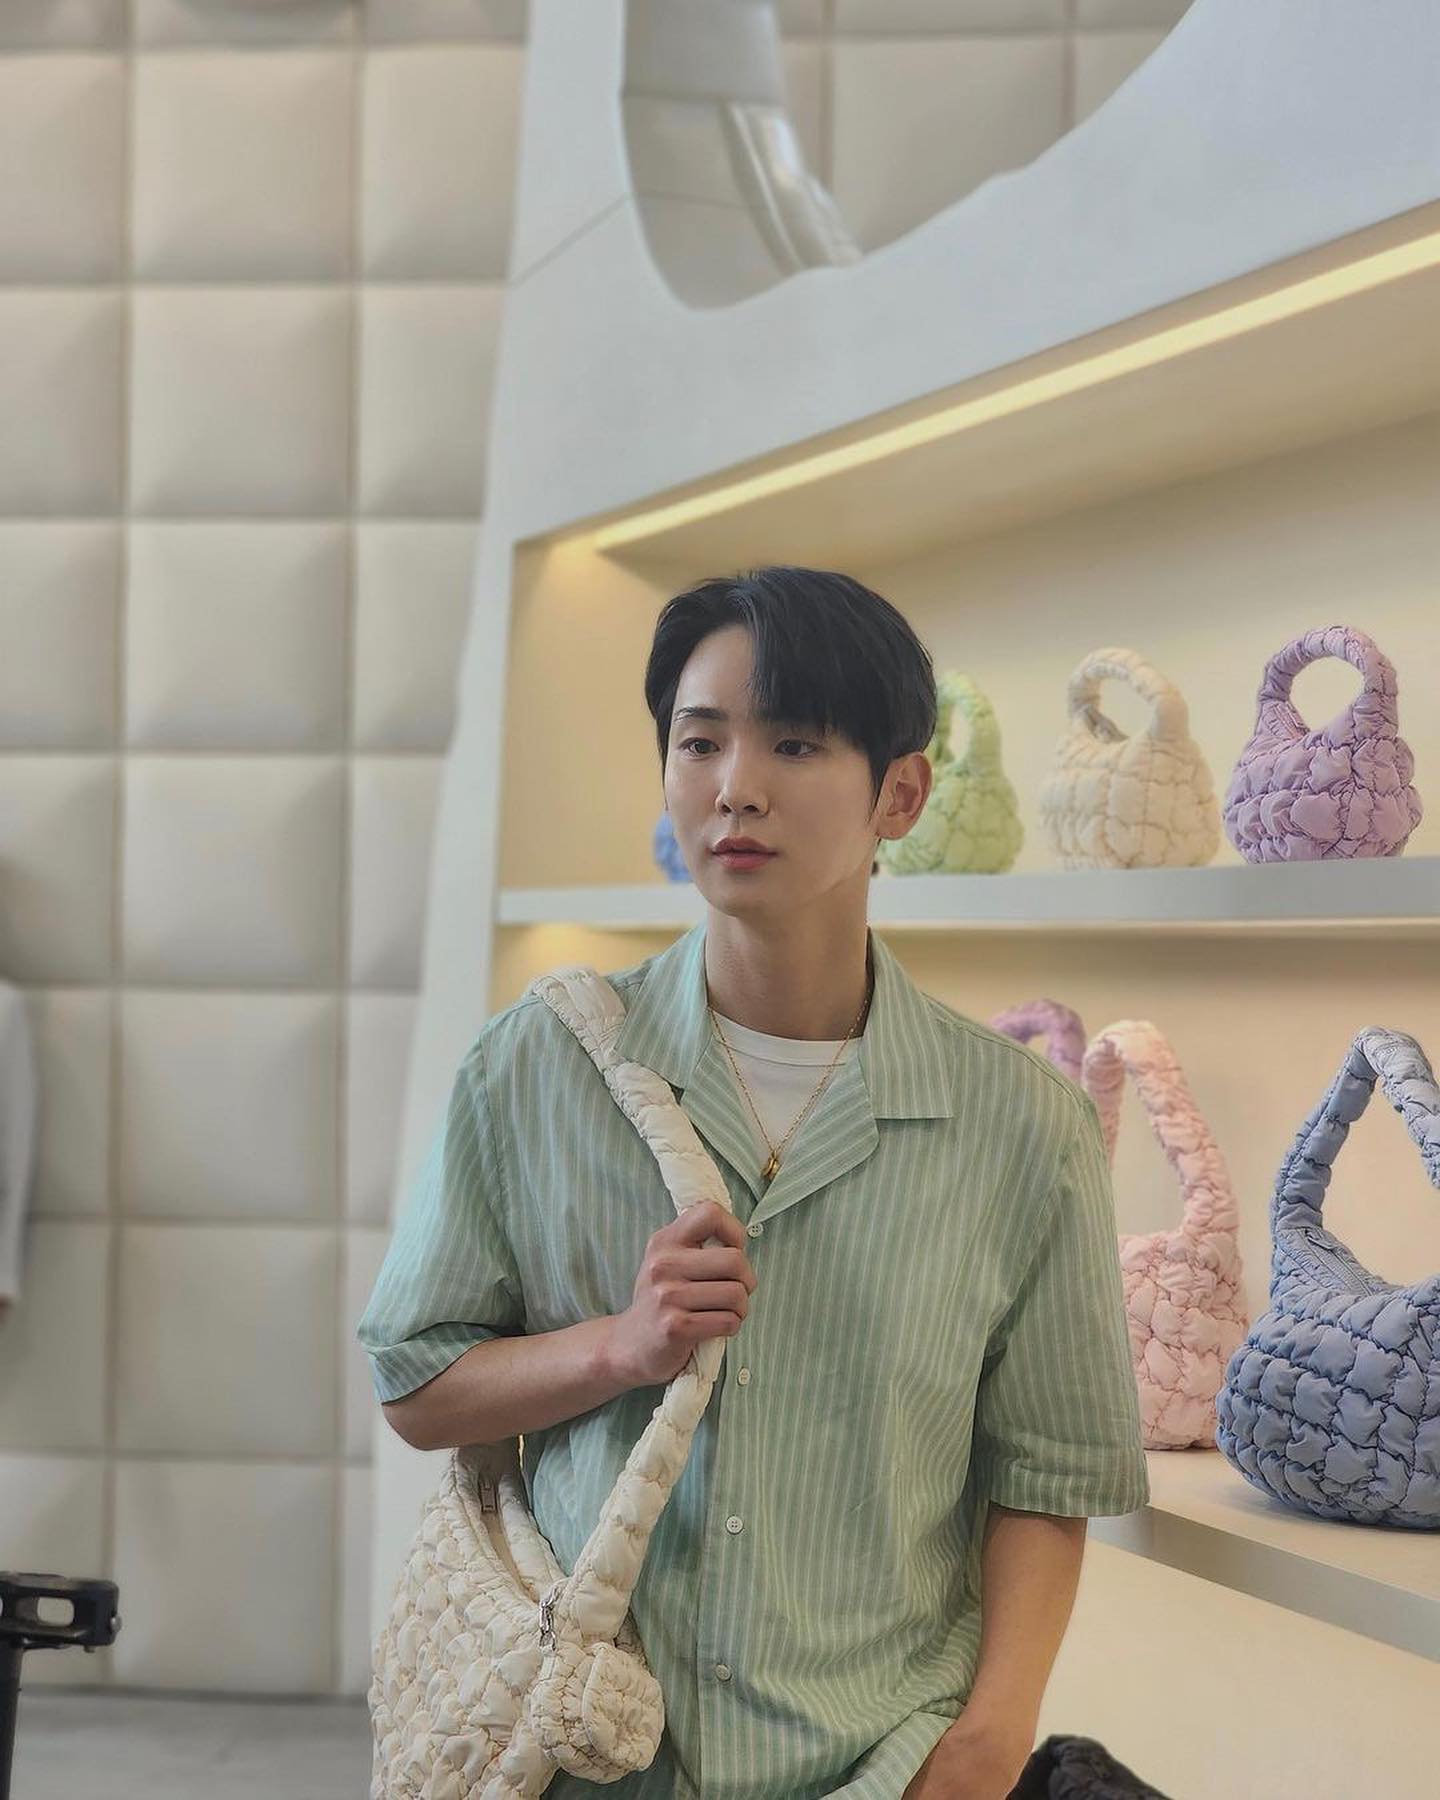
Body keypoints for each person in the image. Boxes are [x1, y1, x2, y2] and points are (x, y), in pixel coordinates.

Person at [357, 566, 1149, 1800]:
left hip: (880, 1761)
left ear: (901, 793)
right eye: (700, 741)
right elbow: (415, 1383)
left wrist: (990, 1742)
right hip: (586, 1755)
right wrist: (620, 1347)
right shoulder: (537, 1065)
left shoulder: (1025, 1126)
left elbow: (1048, 1480)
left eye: (795, 743)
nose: (735, 785)